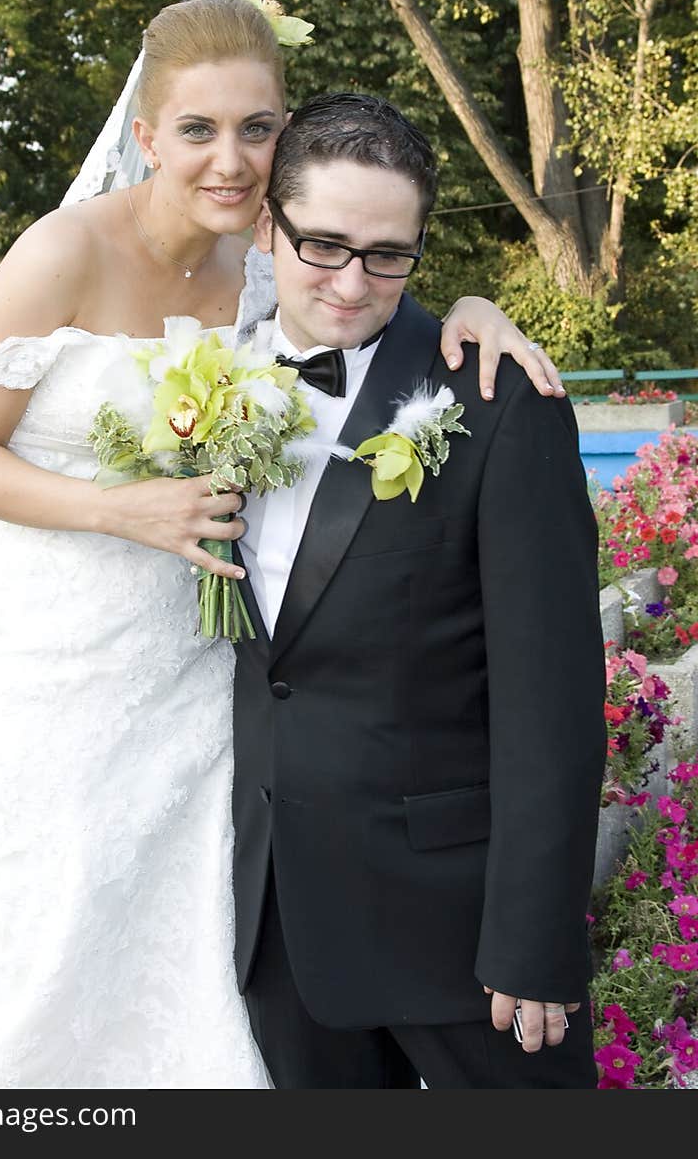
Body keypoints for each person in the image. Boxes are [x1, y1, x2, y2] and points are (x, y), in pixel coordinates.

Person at [0, 0, 569, 1089]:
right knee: (58, 946)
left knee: (195, 966)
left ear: (283, 141)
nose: (230, 161)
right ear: (144, 135)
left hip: (196, 676)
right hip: (65, 657)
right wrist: (83, 520)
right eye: (196, 129)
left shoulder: (274, 273)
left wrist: (479, 305)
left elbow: (374, 284)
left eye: (257, 129)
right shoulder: (64, 250)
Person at [225, 93, 607, 1088]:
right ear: (268, 227)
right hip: (274, 920)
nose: (353, 283)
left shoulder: (498, 403)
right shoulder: (199, 379)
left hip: (460, 929)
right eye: (324, 245)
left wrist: (533, 939)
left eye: (388, 254)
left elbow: (553, 699)